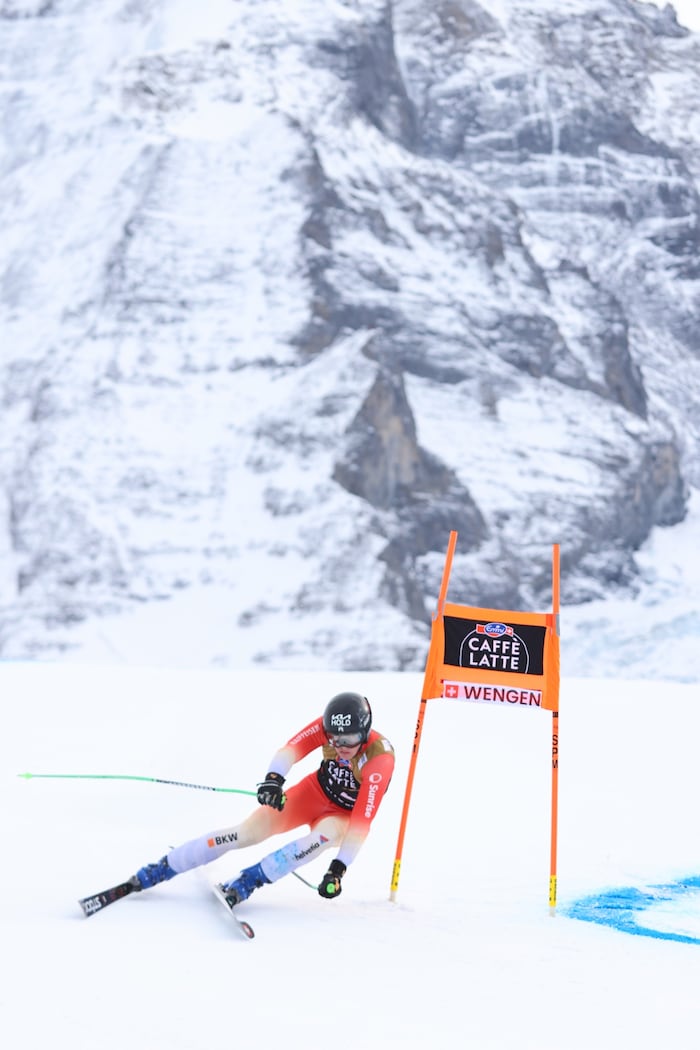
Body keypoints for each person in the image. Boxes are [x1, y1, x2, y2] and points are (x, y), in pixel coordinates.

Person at [128, 692, 394, 906]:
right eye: (334, 739)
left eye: (349, 739)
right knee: (245, 833)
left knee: (316, 841)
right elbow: (291, 749)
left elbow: (361, 821)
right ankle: (162, 868)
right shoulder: (329, 726)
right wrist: (273, 780)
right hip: (313, 793)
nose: (341, 746)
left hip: (343, 816)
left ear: (365, 731)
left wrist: (338, 869)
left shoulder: (379, 759)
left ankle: (249, 880)